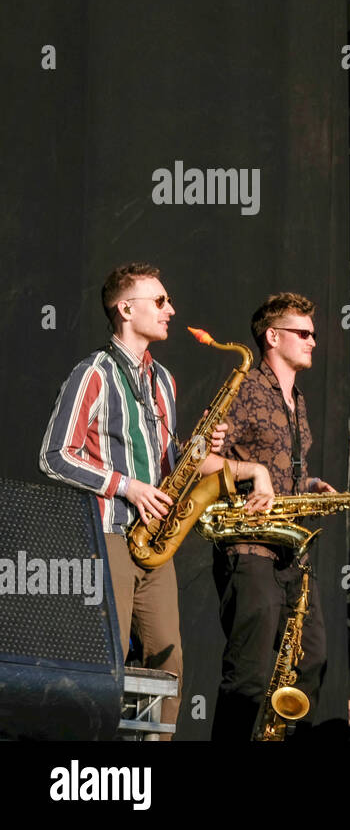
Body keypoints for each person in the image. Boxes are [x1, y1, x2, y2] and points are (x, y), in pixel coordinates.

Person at [40, 262, 273, 737]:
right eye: (160, 301)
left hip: (158, 543)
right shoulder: (94, 374)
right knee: (105, 669)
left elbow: (171, 467)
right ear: (126, 309)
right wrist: (128, 486)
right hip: (108, 534)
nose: (172, 310)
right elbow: (53, 455)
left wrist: (201, 451)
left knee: (169, 666)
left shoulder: (163, 379)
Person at [211, 291, 338, 740]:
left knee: (312, 660)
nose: (313, 342)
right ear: (272, 336)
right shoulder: (245, 389)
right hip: (249, 547)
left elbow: (284, 475)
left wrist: (309, 487)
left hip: (291, 551)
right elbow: (201, 462)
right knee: (249, 676)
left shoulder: (298, 401)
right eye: (303, 333)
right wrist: (255, 472)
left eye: (314, 334)